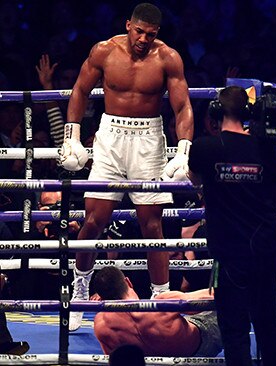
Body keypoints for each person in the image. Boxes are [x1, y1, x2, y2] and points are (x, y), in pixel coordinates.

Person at [58, 3, 194, 331]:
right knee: (93, 221)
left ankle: (161, 301)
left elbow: (182, 106)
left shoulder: (167, 58)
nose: (144, 39)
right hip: (109, 139)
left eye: (151, 34)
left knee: (152, 229)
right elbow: (79, 90)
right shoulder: (104, 51)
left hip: (148, 140)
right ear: (128, 25)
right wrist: (71, 137)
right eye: (140, 31)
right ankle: (80, 291)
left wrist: (183, 152)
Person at [187, 85, 276, 365]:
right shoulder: (266, 146)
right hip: (265, 246)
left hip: (229, 252)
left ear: (215, 113)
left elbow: (194, 179)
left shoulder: (205, 147)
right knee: (268, 322)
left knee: (234, 328)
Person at [92, 266, 222, 357]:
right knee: (228, 307)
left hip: (152, 359)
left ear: (102, 297)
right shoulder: (161, 303)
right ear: (128, 282)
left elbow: (114, 359)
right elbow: (211, 298)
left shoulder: (101, 324)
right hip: (202, 345)